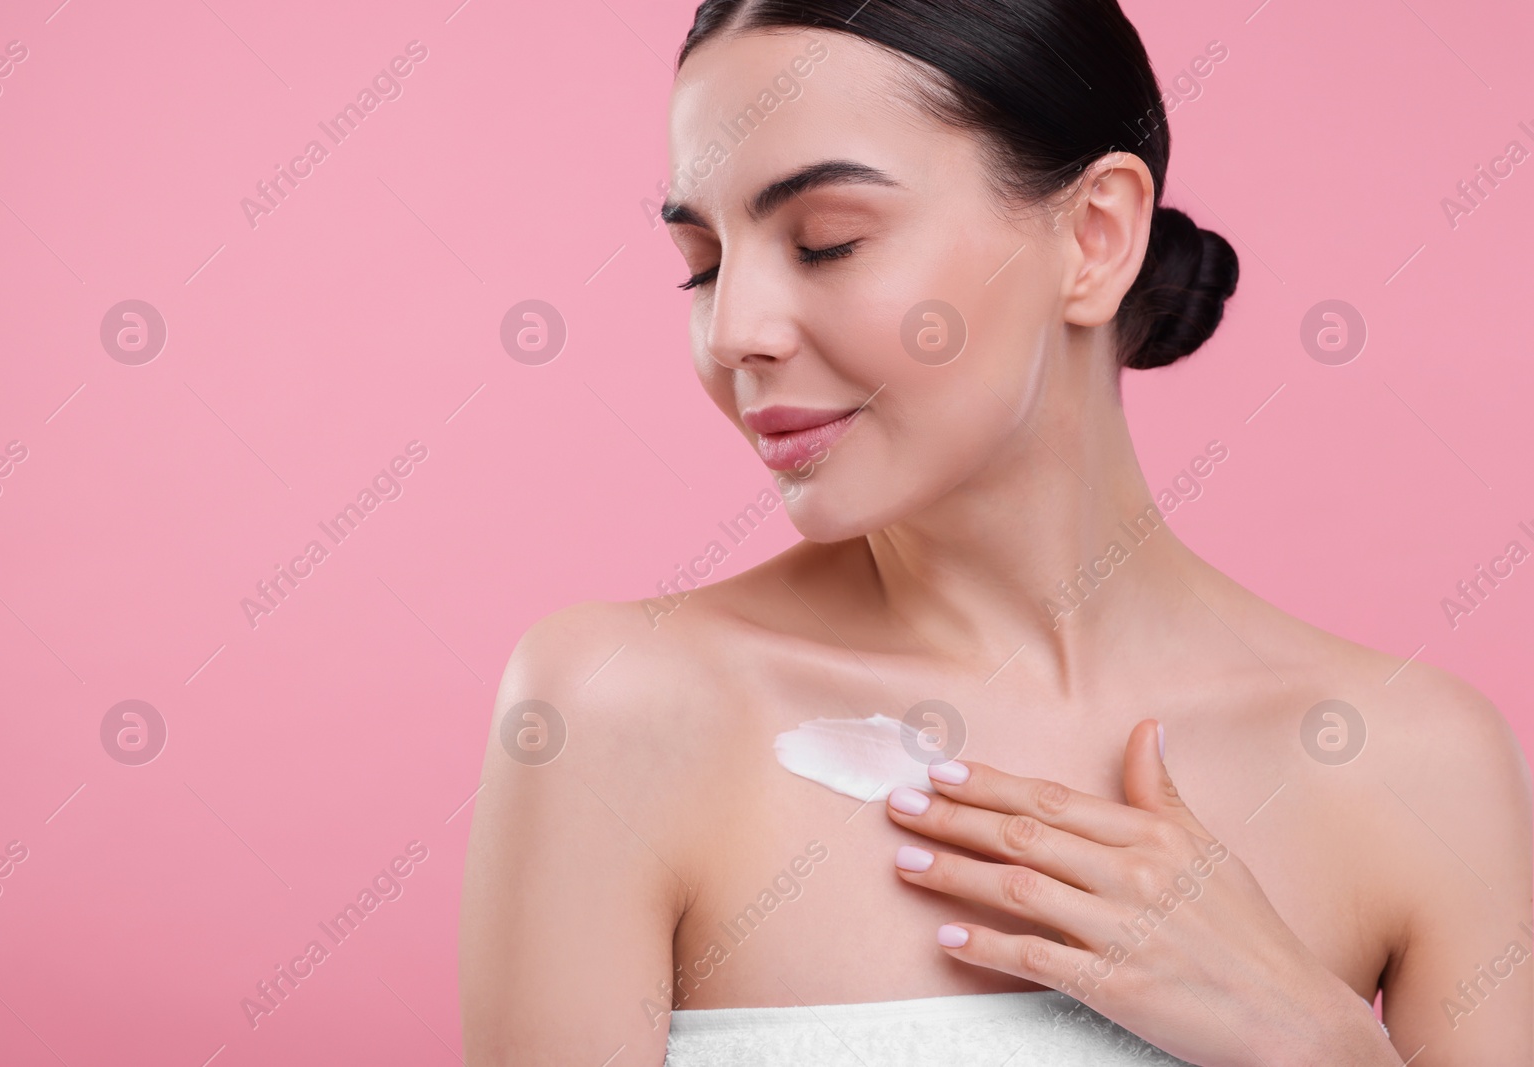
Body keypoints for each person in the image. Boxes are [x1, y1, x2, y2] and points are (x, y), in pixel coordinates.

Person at [460, 1, 1533, 1063]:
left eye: (825, 242)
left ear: (1093, 235)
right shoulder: (616, 706)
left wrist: (1317, 1048)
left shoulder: (1414, 765)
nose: (735, 329)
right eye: (702, 262)